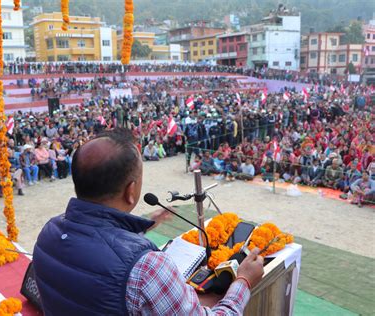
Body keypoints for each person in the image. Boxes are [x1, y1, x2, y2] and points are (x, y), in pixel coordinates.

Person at [33, 128, 264, 315]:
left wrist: (147, 225)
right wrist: (243, 281)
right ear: (131, 191)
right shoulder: (146, 268)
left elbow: (94, 256)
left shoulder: (48, 233)